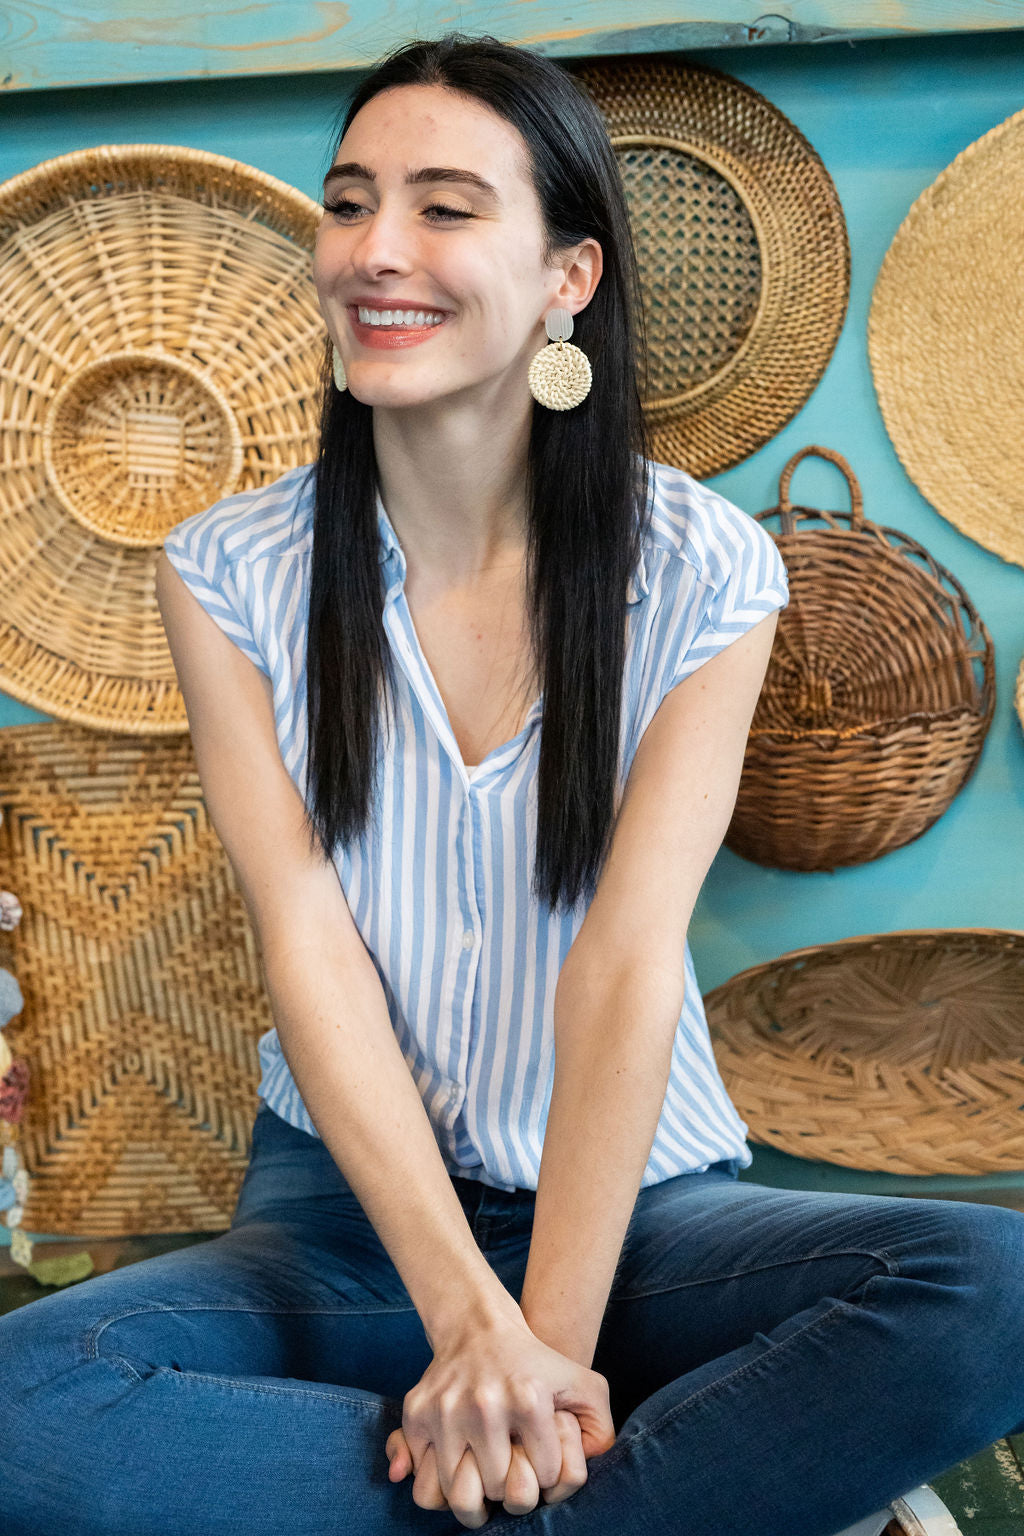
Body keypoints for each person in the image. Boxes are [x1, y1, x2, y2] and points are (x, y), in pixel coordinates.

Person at [2, 31, 1023, 1536]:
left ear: (569, 280)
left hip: (644, 1216)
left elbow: (623, 964)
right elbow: (307, 942)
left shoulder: (701, 565)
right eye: (349, 202)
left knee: (994, 1288)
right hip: (349, 1225)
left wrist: (538, 1348)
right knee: (26, 1406)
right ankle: (635, 1495)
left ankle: (499, 1470)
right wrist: (466, 1325)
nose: (373, 249)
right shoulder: (226, 574)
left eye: (445, 207)